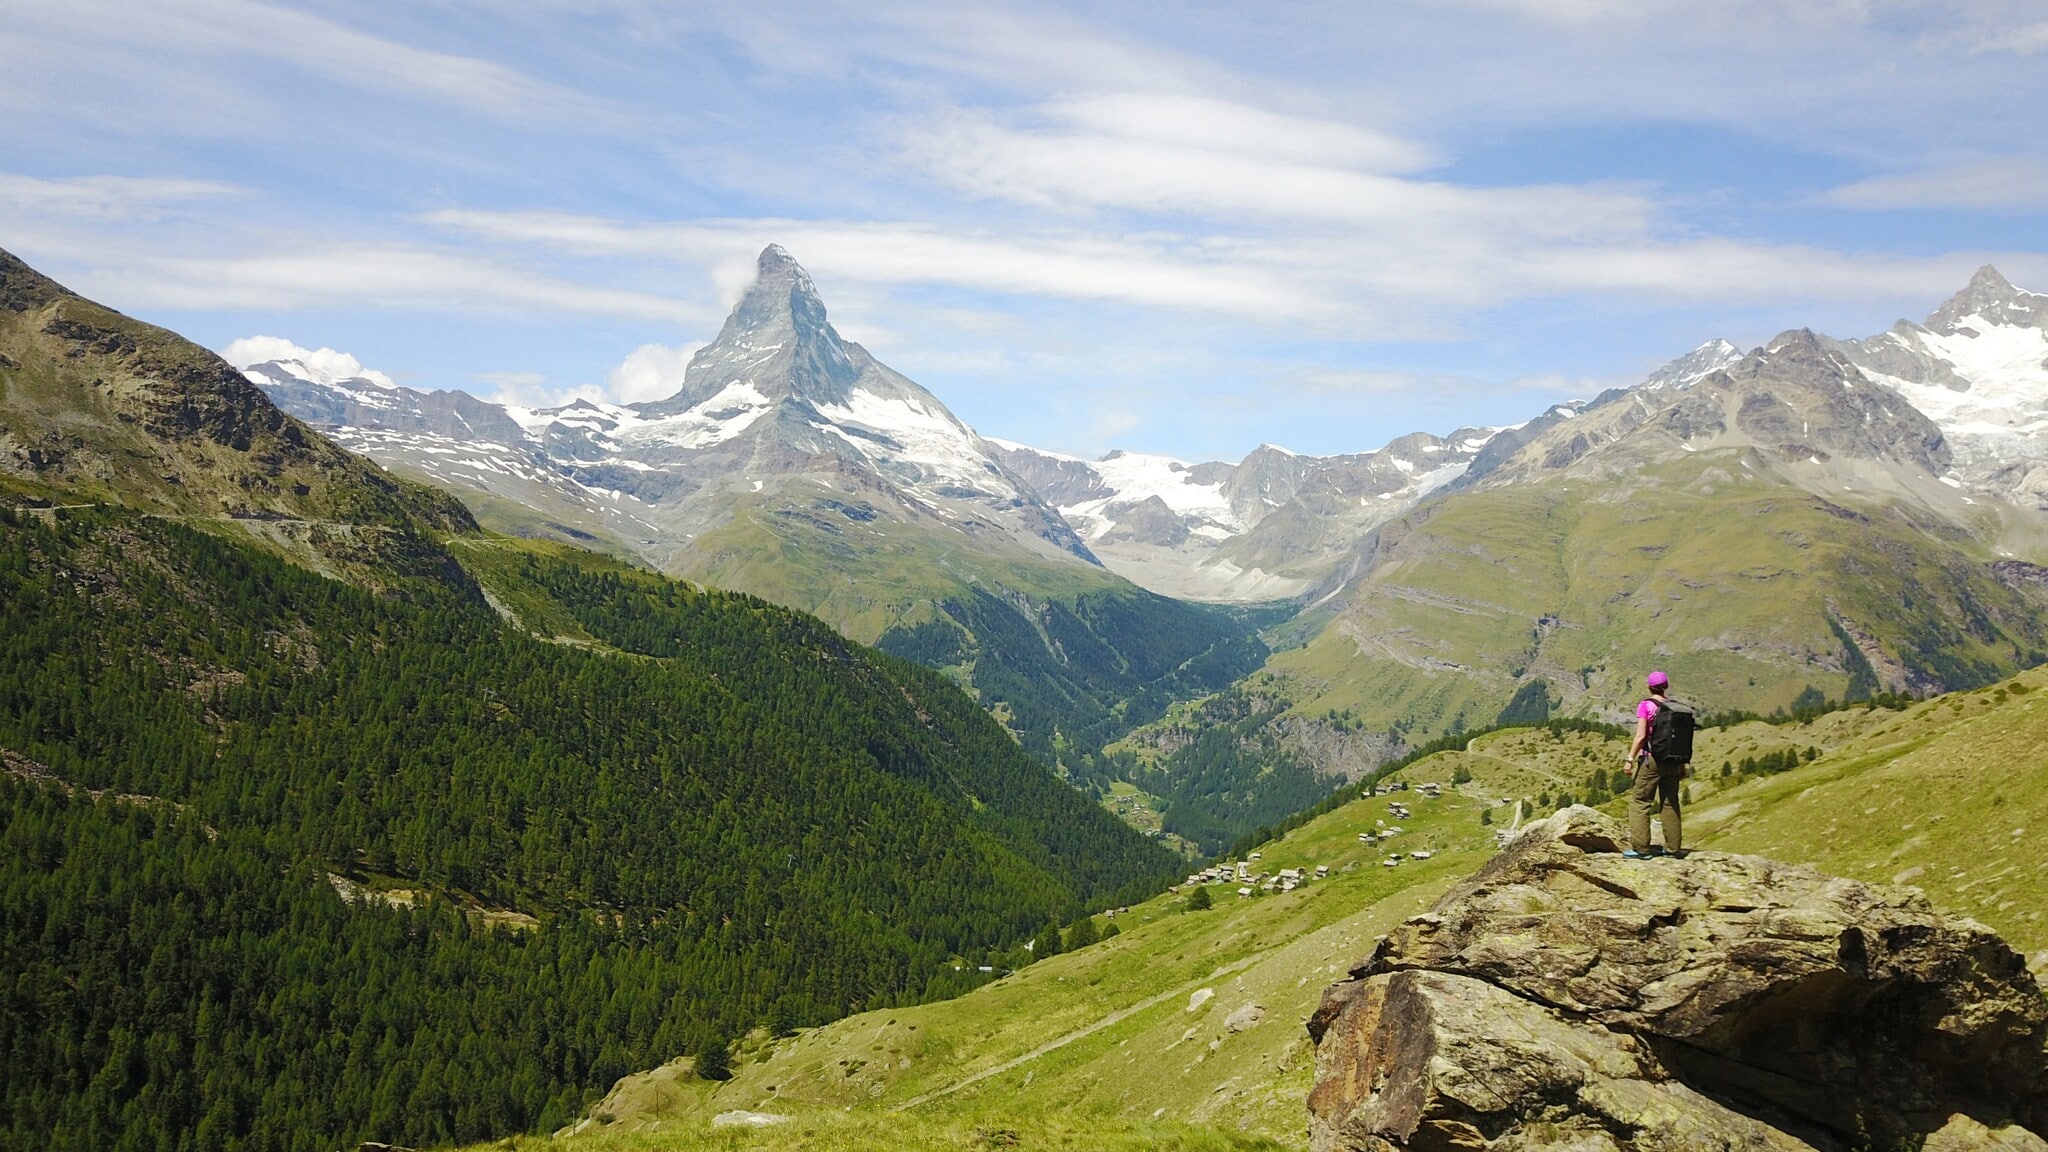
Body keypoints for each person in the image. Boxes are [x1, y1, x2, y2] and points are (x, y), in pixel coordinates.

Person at [1623, 670, 1685, 857]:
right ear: (1666, 686)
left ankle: (1642, 849)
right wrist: (1682, 765)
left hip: (1652, 760)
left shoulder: (1646, 706)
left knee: (1640, 801)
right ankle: (1673, 849)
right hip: (1674, 761)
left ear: (1649, 687)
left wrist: (1630, 759)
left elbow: (1641, 736)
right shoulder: (1675, 707)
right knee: (1670, 802)